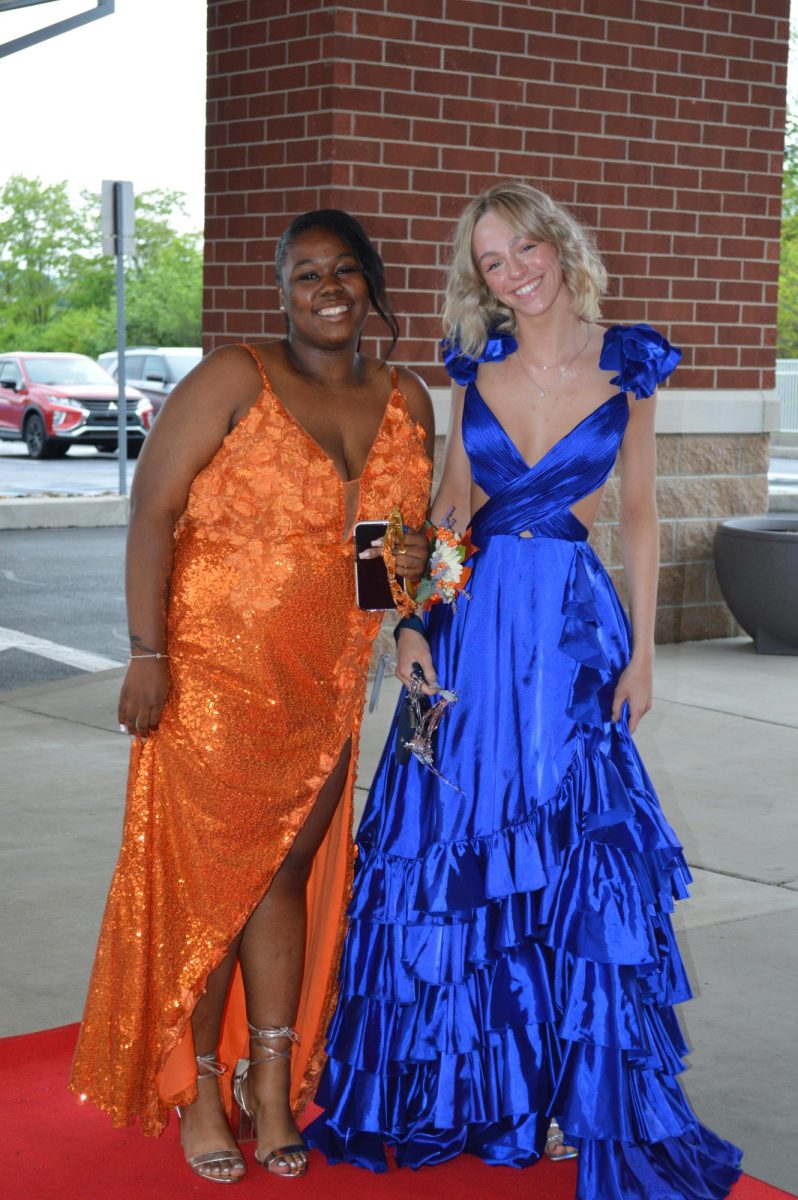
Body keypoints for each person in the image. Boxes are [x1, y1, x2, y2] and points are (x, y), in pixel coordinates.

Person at [304, 183, 743, 1198]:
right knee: (453, 837)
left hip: (572, 631)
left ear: (557, 244)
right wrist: (412, 619)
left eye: (523, 249)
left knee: (571, 843)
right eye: (491, 263)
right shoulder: (475, 369)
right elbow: (453, 506)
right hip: (475, 626)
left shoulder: (631, 362)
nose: (512, 273)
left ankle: (564, 1090)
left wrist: (642, 652)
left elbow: (635, 513)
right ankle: (472, 1085)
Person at [68, 210, 434, 1184]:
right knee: (209, 893)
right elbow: (154, 509)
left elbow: (385, 554)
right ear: (282, 289)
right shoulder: (236, 376)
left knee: (282, 880)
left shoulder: (405, 397)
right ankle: (199, 1092)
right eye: (306, 272)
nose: (327, 287)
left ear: (370, 285)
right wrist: (145, 652)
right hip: (209, 685)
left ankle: (269, 1087)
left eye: (345, 270)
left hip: (320, 690)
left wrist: (407, 624)